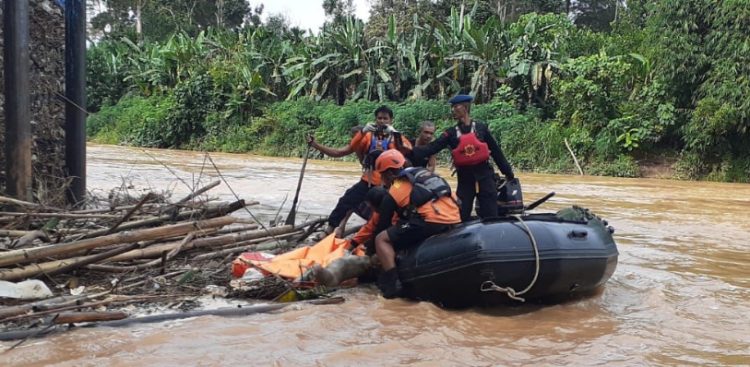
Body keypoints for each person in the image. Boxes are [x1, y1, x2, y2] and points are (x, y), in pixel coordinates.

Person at [306, 106, 412, 236]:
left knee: (390, 210)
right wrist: (362, 132)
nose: (382, 121)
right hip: (368, 180)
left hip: (388, 184)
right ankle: (330, 229)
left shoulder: (395, 137)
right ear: (375, 119)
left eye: (385, 118)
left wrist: (395, 134)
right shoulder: (367, 136)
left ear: (391, 121)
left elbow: (408, 150)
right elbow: (346, 150)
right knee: (347, 200)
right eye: (379, 118)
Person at [372, 150, 461, 298]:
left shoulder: (396, 188)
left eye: (382, 175)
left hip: (430, 221)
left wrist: (370, 250)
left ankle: (393, 283)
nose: (382, 181)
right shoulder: (425, 174)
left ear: (388, 174)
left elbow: (382, 225)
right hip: (453, 218)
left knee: (381, 239)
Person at [413, 94, 514, 221]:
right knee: (461, 215)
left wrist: (508, 173)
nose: (453, 110)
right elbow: (432, 148)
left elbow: (496, 152)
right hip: (465, 181)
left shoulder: (481, 128)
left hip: (485, 178)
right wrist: (408, 151)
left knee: (491, 215)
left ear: (465, 107)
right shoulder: (450, 133)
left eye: (456, 107)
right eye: (452, 107)